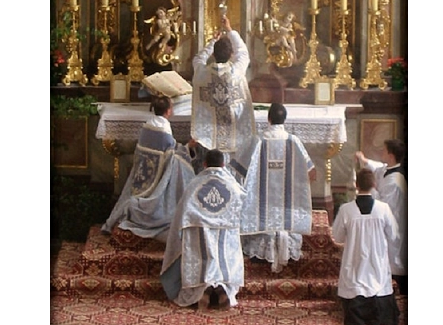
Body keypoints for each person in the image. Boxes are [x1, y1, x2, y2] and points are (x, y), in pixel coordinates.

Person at [230, 102, 317, 273]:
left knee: (262, 213)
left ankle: (263, 252)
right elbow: (311, 172)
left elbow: (238, 169)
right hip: (287, 205)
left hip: (262, 205)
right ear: (284, 119)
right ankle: (287, 249)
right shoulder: (294, 142)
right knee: (286, 214)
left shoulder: (257, 141)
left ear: (268, 119)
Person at [100, 95, 197, 242]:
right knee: (183, 166)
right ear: (168, 111)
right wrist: (189, 146)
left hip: (142, 176)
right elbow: (171, 156)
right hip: (156, 180)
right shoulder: (164, 129)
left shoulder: (147, 126)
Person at [160, 149, 246, 311]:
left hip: (198, 231)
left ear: (204, 164)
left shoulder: (194, 184)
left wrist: (180, 232)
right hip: (224, 232)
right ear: (223, 164)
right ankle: (223, 288)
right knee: (224, 257)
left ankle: (201, 291)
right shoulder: (233, 185)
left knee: (200, 257)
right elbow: (242, 206)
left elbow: (182, 212)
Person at [331, 167, 401, 325]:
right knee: (379, 282)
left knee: (355, 283)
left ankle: (357, 316)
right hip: (377, 261)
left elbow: (338, 237)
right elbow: (393, 235)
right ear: (374, 185)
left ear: (356, 185)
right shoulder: (384, 209)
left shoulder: (346, 210)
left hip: (354, 262)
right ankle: (381, 316)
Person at [190, 14, 256, 171]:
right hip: (233, 133)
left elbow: (198, 59)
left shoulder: (202, 73)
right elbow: (243, 53)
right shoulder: (236, 72)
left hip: (210, 136)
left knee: (210, 169)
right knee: (232, 172)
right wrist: (230, 30)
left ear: (213, 54)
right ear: (231, 54)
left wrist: (212, 42)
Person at [354, 139, 408, 295]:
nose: (380, 152)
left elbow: (384, 206)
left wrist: (370, 188)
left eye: (383, 150)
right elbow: (378, 168)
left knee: (392, 259)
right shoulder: (387, 169)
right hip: (383, 224)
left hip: (392, 225)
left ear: (391, 156)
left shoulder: (395, 181)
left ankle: (396, 290)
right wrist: (364, 160)